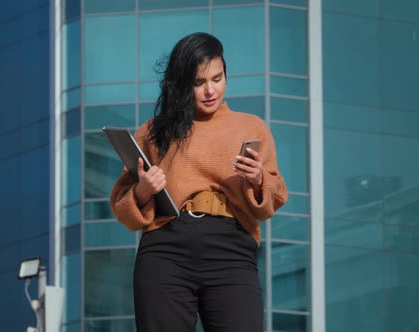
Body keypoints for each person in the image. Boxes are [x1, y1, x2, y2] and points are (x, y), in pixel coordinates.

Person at [110, 32, 288, 332]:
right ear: (182, 84)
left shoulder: (251, 127)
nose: (210, 90)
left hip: (231, 249)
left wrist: (258, 179)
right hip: (166, 248)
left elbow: (271, 203)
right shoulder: (154, 131)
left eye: (217, 79)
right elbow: (122, 207)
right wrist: (143, 190)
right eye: (198, 83)